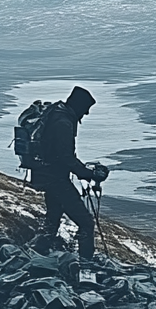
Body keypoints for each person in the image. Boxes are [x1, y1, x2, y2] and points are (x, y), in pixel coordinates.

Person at [31, 85, 108, 259]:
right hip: (56, 180)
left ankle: (38, 253)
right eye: (86, 109)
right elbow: (65, 157)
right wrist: (89, 174)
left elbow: (62, 155)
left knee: (53, 220)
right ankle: (86, 264)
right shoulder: (63, 123)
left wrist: (82, 171)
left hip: (48, 176)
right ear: (79, 106)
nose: (86, 114)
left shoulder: (56, 115)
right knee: (86, 223)